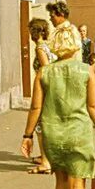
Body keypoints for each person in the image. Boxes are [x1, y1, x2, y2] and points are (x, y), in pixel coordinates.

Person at [20, 24, 95, 189]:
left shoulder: (44, 72)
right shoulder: (86, 70)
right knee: (77, 182)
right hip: (79, 133)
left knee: (60, 181)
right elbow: (92, 104)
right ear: (76, 45)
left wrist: (28, 135)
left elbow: (35, 107)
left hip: (54, 134)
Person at [27, 18, 56, 175]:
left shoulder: (39, 48)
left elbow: (45, 69)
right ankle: (46, 156)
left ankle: (46, 162)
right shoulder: (47, 46)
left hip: (43, 89)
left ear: (34, 32)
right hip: (49, 88)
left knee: (40, 125)